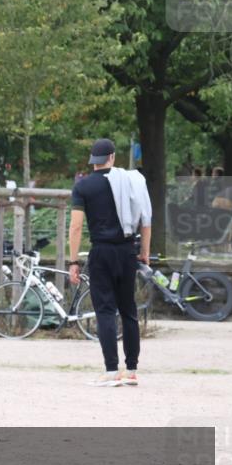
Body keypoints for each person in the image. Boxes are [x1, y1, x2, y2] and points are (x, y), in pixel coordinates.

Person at [69, 138, 151, 387]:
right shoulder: (130, 182)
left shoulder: (82, 187)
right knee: (129, 310)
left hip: (101, 252)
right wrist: (144, 252)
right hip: (127, 251)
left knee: (105, 310)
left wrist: (73, 260)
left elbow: (76, 226)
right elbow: (146, 221)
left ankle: (111, 369)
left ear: (93, 161)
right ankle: (132, 369)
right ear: (112, 157)